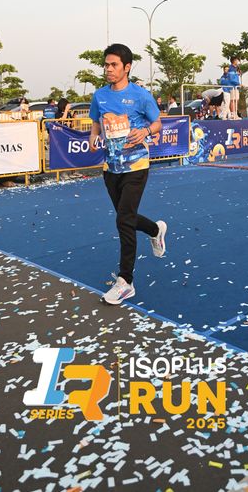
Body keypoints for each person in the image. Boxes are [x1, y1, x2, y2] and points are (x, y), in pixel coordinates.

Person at [89, 43, 166, 305]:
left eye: (114, 65)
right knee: (127, 217)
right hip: (111, 168)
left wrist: (145, 131)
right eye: (106, 65)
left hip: (136, 165)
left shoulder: (141, 96)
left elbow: (157, 123)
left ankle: (125, 282)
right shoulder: (99, 96)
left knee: (123, 220)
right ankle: (155, 229)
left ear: (127, 67)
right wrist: (93, 137)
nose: (108, 69)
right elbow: (96, 123)